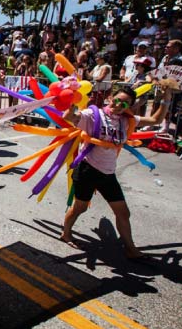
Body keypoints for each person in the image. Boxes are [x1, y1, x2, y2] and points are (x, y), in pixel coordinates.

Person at [61, 85, 173, 259]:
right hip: (87, 170)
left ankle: (130, 249)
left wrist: (166, 97)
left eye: (126, 103)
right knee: (80, 208)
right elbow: (69, 117)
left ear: (130, 106)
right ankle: (66, 233)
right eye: (118, 100)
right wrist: (71, 101)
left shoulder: (126, 120)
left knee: (123, 212)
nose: (120, 105)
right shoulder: (94, 115)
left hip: (107, 173)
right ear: (111, 98)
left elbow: (155, 120)